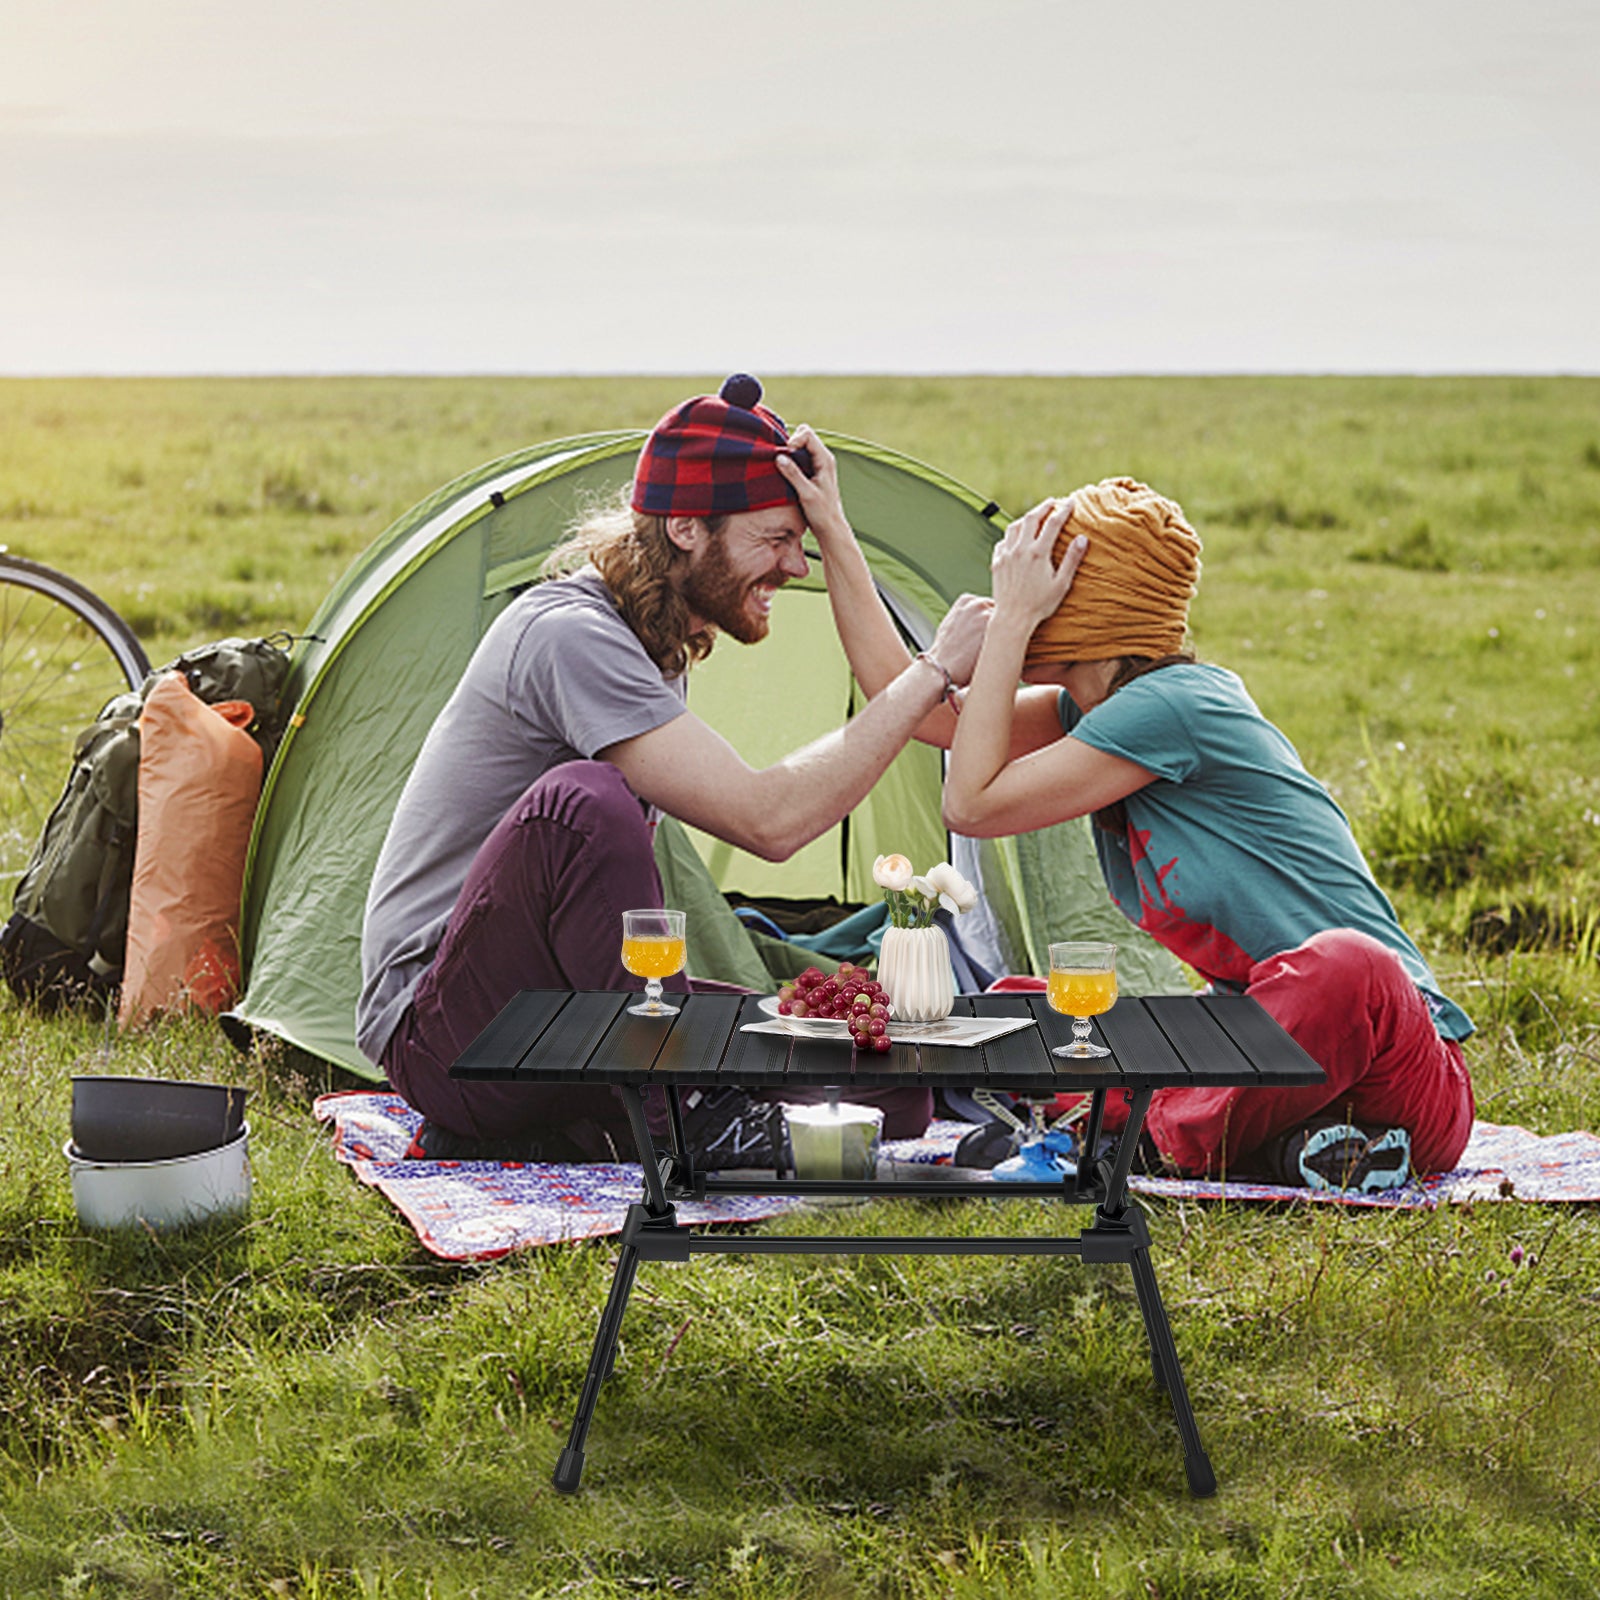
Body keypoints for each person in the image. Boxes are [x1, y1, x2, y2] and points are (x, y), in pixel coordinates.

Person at [357, 375, 987, 1163]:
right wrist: (931, 671)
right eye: (775, 539)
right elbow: (769, 819)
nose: (796, 567)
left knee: (888, 1081)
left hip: (554, 1019)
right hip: (450, 1032)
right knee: (582, 803)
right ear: (687, 527)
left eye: (805, 542)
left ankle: (575, 1122)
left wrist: (832, 520)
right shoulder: (567, 634)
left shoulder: (651, 643)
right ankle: (683, 1114)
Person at [792, 469, 1474, 1187]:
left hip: (1394, 1064)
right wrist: (833, 528)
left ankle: (1125, 1144)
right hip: (1254, 1051)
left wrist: (1014, 625)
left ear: (1090, 610)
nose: (1009, 603)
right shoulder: (1090, 712)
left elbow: (971, 807)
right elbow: (911, 704)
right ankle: (1295, 1148)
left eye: (1038, 587)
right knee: (1017, 1008)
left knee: (1350, 964)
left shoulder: (1173, 705)